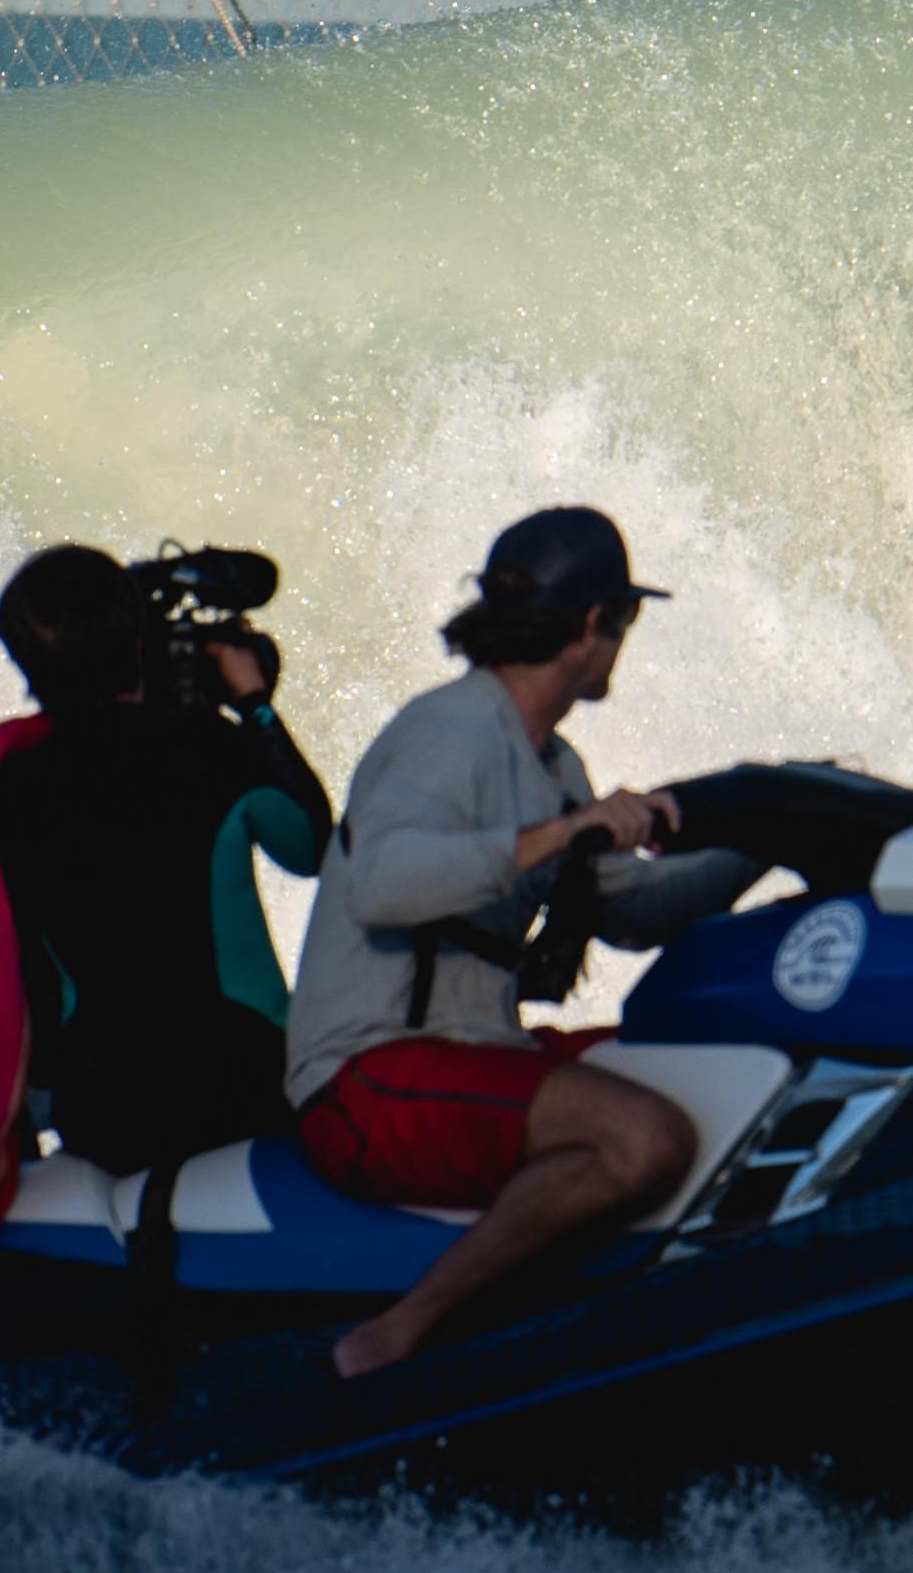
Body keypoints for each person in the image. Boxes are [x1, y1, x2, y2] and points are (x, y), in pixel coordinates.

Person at [288, 507, 765, 1379]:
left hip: (471, 1058)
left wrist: (766, 834)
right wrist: (562, 834)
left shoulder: (551, 764)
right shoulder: (451, 729)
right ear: (593, 624)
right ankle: (391, 1340)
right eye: (626, 622)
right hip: (363, 1080)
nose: (623, 642)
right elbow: (389, 883)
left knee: (727, 1068)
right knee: (642, 1141)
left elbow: (635, 913)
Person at [0, 543, 330, 1178]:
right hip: (241, 1084)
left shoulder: (8, 787)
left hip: (100, 1105)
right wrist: (254, 705)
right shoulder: (212, 751)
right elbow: (311, 849)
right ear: (136, 645)